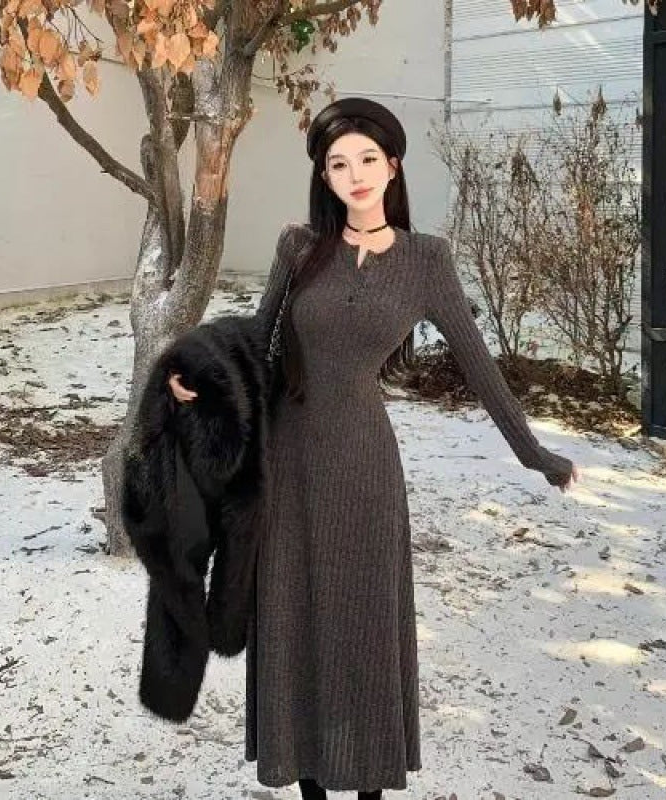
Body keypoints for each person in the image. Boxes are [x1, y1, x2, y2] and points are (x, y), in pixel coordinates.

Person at [167, 97, 580, 799]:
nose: (354, 175)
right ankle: (307, 784)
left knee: (362, 626)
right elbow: (261, 342)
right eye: (338, 164)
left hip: (364, 466)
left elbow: (479, 366)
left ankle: (368, 787)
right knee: (292, 619)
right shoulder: (300, 248)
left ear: (392, 165)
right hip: (290, 464)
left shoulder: (426, 261)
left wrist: (533, 453)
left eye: (366, 159)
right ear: (324, 177)